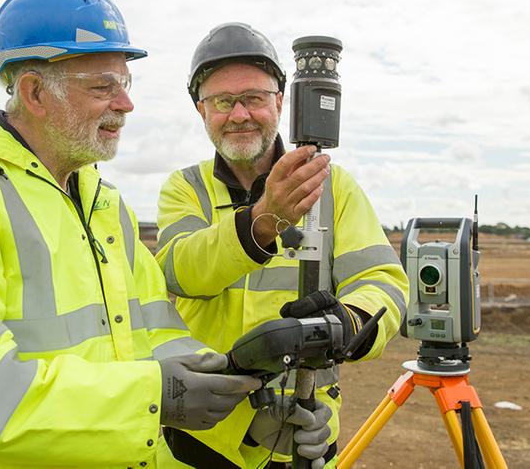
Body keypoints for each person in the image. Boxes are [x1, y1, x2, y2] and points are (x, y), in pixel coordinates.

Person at [0, 0, 262, 468]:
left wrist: (242, 391)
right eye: (103, 86)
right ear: (35, 93)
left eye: (125, 84)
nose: (126, 104)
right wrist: (155, 395)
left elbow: (156, 335)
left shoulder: (102, 201)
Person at [155, 23, 410, 468]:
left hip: (305, 428)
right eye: (222, 101)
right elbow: (182, 271)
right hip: (202, 433)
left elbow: (383, 282)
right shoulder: (185, 189)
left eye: (252, 98)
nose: (238, 114)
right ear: (201, 110)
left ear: (279, 101)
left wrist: (341, 326)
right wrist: (264, 219)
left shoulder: (332, 187)